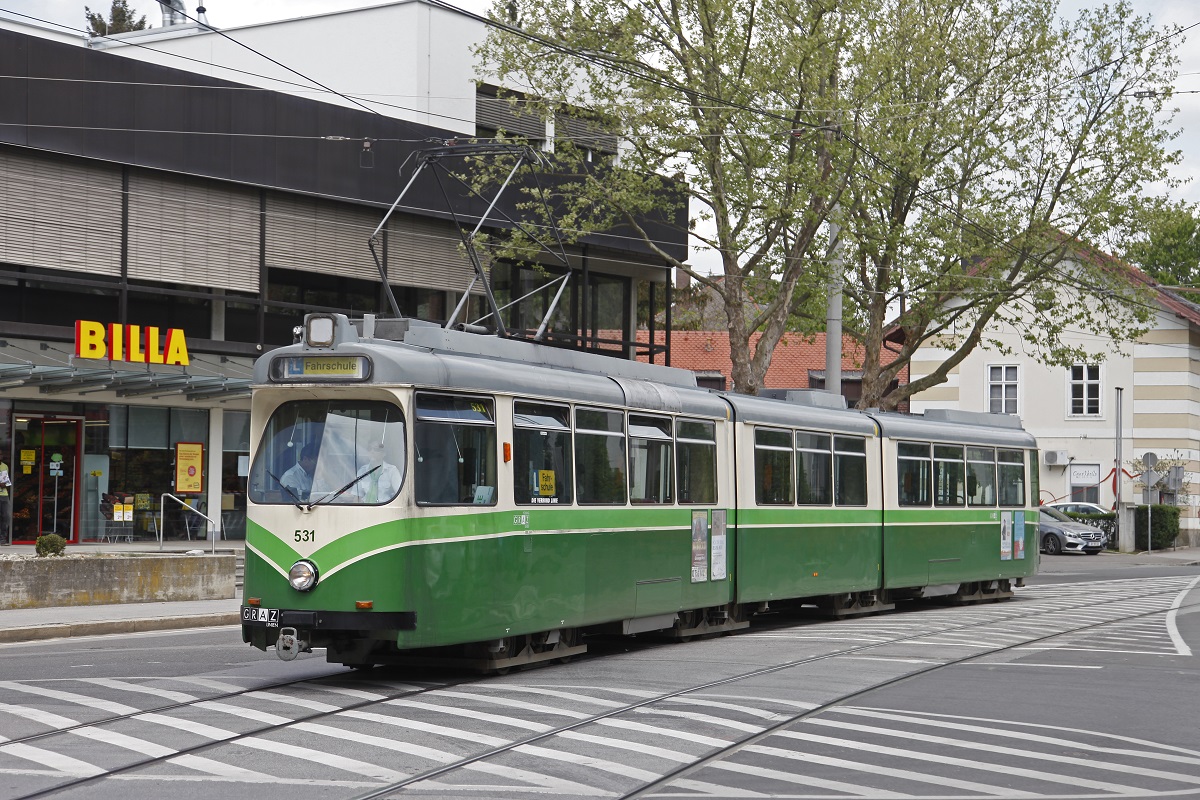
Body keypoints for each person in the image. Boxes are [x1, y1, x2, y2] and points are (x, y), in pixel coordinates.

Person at [0, 458, 11, 545]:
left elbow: (7, 482)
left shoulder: (5, 466)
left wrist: (5, 484)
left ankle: (3, 538)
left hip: (4, 495)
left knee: (5, 516)